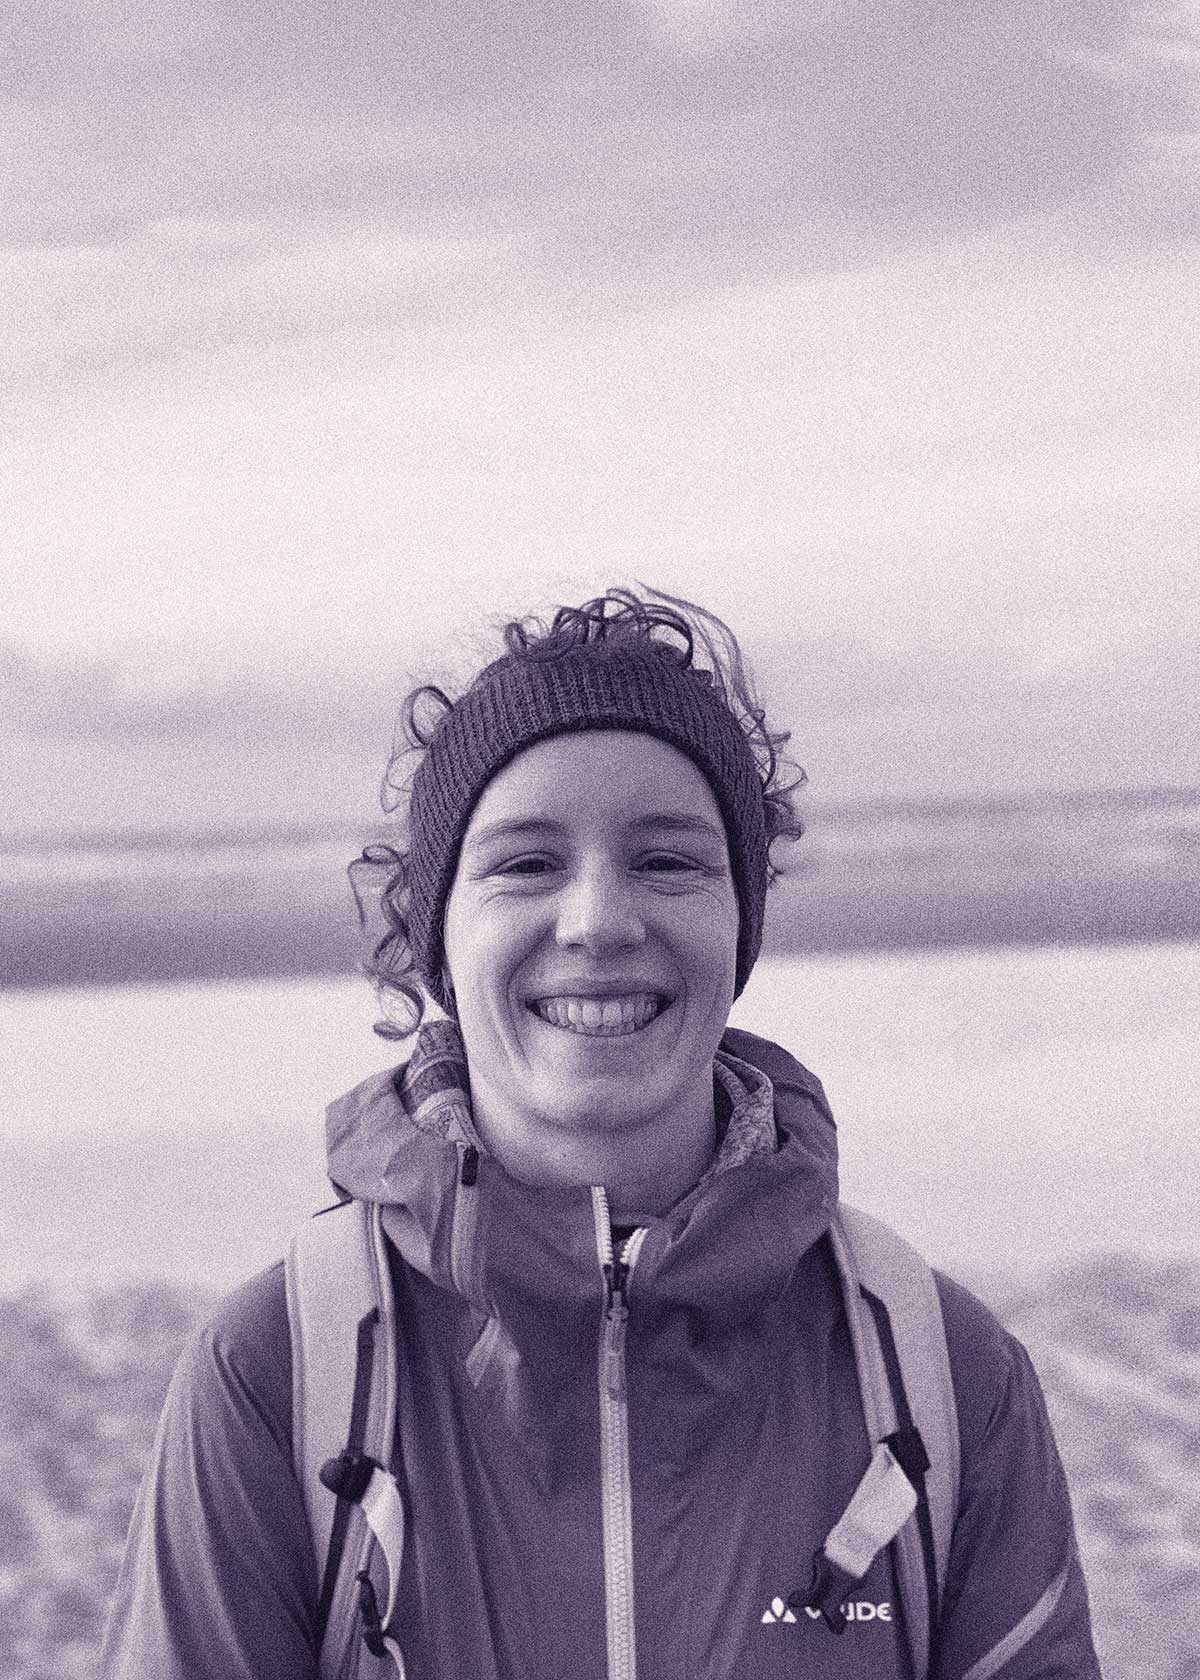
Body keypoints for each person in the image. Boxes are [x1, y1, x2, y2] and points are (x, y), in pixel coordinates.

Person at [101, 586, 1100, 1679]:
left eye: (667, 859)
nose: (598, 922)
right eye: (526, 862)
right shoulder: (281, 1372)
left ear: (740, 920)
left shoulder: (938, 1376)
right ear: (438, 932)